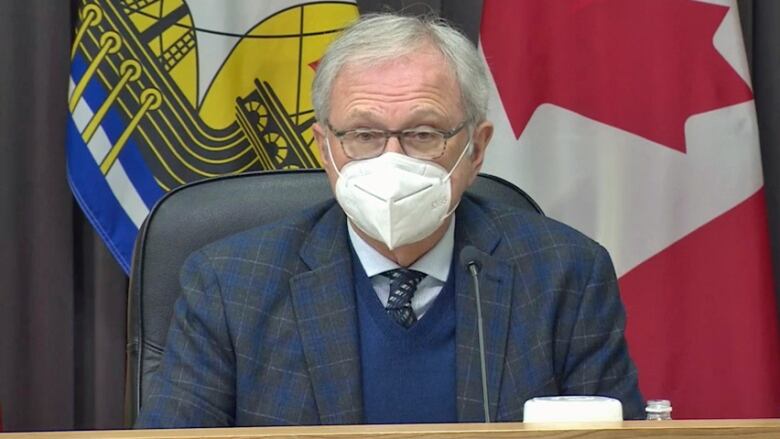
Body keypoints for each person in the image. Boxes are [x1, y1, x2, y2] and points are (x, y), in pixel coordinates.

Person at [136, 13, 644, 428]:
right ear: (324, 149)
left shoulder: (565, 275)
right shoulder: (230, 286)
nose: (391, 159)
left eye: (423, 134)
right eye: (363, 135)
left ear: (476, 150)